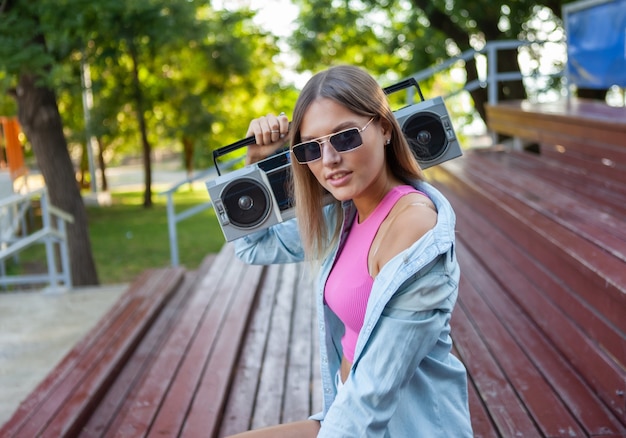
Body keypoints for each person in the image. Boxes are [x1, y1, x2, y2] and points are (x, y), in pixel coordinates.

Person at [230, 65, 473, 437]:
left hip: (398, 425)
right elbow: (254, 246)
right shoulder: (342, 216)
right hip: (344, 407)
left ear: (385, 128)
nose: (327, 160)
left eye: (344, 138)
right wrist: (256, 163)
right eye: (311, 147)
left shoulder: (413, 228)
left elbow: (372, 397)